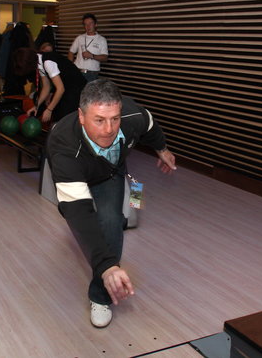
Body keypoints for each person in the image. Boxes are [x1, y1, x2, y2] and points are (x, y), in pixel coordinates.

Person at [46, 79, 176, 328]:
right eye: (99, 120)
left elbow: (150, 124)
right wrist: (106, 265)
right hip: (78, 168)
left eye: (114, 119)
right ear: (81, 116)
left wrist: (162, 149)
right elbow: (78, 212)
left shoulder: (132, 115)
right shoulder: (63, 146)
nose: (108, 129)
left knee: (111, 221)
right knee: (88, 223)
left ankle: (100, 297)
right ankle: (106, 270)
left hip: (109, 172)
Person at [15, 45, 86, 124]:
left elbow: (60, 89)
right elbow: (46, 87)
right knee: (57, 114)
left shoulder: (47, 62)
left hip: (77, 87)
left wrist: (49, 109)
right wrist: (36, 106)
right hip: (66, 87)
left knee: (64, 118)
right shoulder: (39, 61)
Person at [68, 13, 108, 82]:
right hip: (77, 71)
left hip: (92, 74)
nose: (88, 26)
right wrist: (70, 67)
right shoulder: (80, 38)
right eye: (85, 24)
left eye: (90, 23)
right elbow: (71, 52)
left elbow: (105, 58)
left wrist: (92, 56)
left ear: (95, 24)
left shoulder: (101, 39)